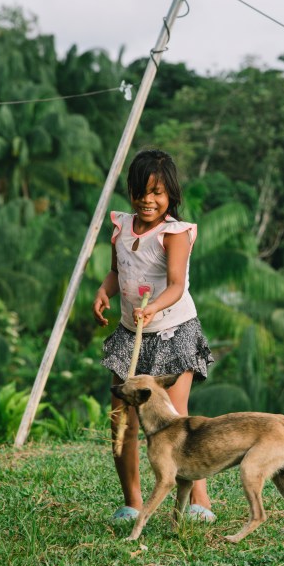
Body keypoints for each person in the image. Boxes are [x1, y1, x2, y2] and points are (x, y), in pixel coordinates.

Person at [92, 148, 216, 523]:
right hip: (131, 334)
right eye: (141, 191)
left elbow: (177, 286)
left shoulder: (174, 233)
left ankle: (199, 502)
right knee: (122, 422)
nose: (148, 200)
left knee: (175, 422)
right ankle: (132, 503)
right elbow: (118, 273)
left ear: (170, 196)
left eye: (157, 193)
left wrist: (154, 307)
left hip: (172, 332)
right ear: (131, 191)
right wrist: (103, 292)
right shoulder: (121, 228)